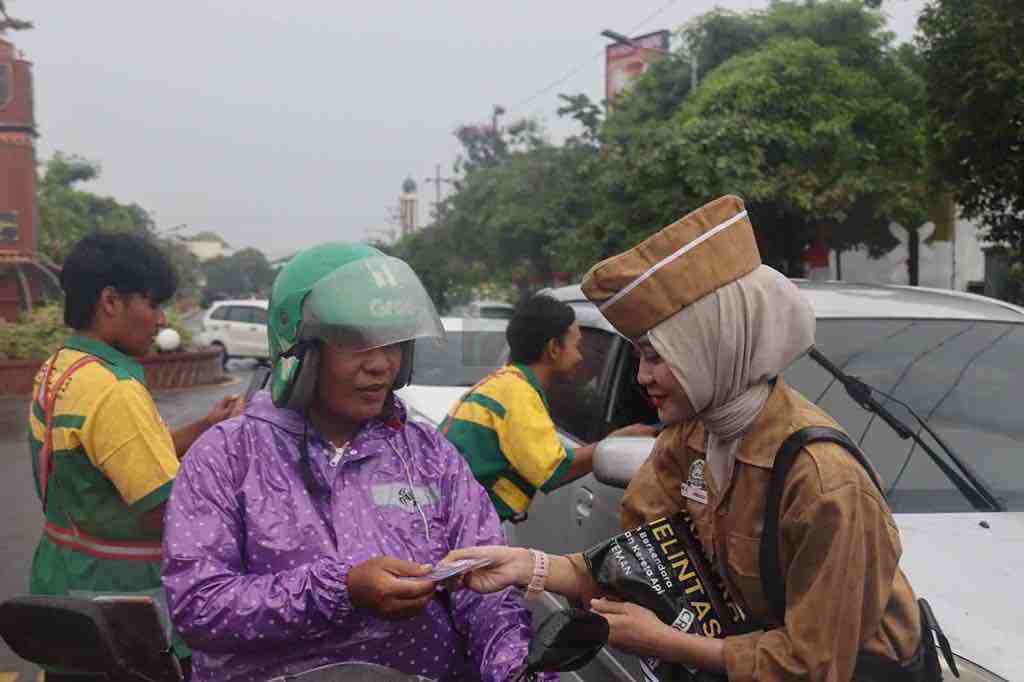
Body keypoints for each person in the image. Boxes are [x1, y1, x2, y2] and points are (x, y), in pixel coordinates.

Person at [444, 196, 931, 681]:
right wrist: (524, 565)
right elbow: (633, 566)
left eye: (657, 357)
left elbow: (815, 666)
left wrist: (666, 642)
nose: (642, 378)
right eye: (639, 357)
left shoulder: (824, 481)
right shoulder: (692, 438)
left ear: (713, 348)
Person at [161, 243, 557, 682]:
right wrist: (341, 591)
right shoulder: (227, 457)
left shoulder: (428, 455)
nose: (381, 365)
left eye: (393, 343)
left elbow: (485, 588)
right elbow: (197, 606)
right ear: (299, 350)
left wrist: (512, 667)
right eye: (355, 342)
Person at [28, 232, 242, 681]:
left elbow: (131, 455)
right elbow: (166, 509)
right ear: (111, 301)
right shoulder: (113, 391)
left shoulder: (62, 369)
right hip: (124, 612)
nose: (160, 319)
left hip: (65, 592)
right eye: (152, 304)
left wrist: (206, 427)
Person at [441, 293, 657, 522]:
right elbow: (554, 471)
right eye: (577, 346)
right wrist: (611, 443)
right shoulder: (517, 392)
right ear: (554, 348)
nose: (580, 357)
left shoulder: (506, 384)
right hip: (455, 521)